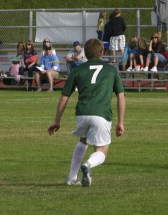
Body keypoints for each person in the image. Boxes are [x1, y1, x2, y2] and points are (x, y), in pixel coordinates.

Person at [47, 38, 125, 187]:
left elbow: (64, 96)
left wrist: (57, 120)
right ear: (102, 52)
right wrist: (120, 122)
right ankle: (88, 165)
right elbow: (121, 96)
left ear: (85, 54)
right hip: (101, 114)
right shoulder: (111, 70)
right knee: (102, 151)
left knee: (83, 140)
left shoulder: (77, 70)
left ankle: (71, 178)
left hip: (82, 114)